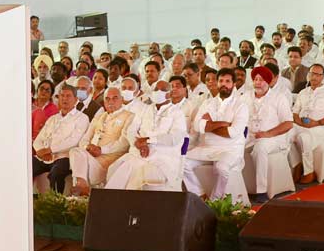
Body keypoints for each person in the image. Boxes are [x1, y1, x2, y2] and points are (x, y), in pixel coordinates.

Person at [106, 79, 188, 191]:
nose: (158, 92)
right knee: (117, 170)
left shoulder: (177, 113)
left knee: (135, 178)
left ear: (169, 94)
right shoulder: (145, 109)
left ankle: (127, 206)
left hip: (162, 158)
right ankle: (109, 204)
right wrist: (139, 144)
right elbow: (131, 131)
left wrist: (149, 140)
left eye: (162, 90)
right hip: (140, 153)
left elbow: (175, 138)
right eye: (156, 89)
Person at [183, 70, 250, 199]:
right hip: (207, 147)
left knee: (222, 168)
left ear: (234, 84)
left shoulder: (241, 106)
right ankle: (200, 194)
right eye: (221, 81)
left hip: (230, 149)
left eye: (227, 81)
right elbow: (197, 126)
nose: (224, 84)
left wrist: (209, 124)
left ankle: (215, 200)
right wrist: (223, 124)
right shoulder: (208, 103)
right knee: (182, 162)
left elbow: (232, 132)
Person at [68, 88, 135, 195]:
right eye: (107, 99)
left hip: (110, 164)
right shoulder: (99, 116)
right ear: (104, 102)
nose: (111, 101)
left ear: (122, 100)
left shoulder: (129, 116)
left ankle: (81, 187)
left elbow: (124, 143)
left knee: (77, 158)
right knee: (75, 151)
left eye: (115, 98)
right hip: (91, 159)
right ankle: (82, 186)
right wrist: (88, 148)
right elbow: (84, 139)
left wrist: (101, 150)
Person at [245, 67, 294, 204]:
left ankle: (261, 191)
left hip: (274, 138)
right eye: (255, 79)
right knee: (232, 146)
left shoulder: (279, 97)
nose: (258, 83)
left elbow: (288, 123)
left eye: (261, 80)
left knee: (260, 148)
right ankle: (236, 189)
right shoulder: (246, 96)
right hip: (250, 135)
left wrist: (268, 134)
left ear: (268, 81)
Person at [33, 87, 91, 194]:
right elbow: (38, 139)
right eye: (62, 96)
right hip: (45, 157)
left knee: (56, 173)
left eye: (68, 96)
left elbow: (74, 140)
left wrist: (50, 150)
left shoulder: (82, 118)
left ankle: (56, 205)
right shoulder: (53, 118)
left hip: (65, 156)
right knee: (26, 167)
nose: (65, 99)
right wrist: (40, 151)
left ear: (76, 99)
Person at [291, 65, 324, 184]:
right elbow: (294, 112)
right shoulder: (303, 92)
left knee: (304, 137)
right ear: (308, 75)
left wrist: (316, 123)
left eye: (318, 75)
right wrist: (300, 122)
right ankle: (297, 163)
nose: (314, 77)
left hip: (321, 127)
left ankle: (308, 171)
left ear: (323, 77)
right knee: (286, 134)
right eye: (312, 73)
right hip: (301, 125)